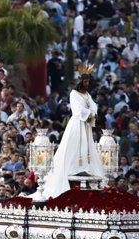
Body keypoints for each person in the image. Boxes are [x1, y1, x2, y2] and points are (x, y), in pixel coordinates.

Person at [41, 69, 103, 199]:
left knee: (86, 146)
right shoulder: (74, 93)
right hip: (77, 123)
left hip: (85, 124)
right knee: (74, 145)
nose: (87, 84)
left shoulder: (87, 94)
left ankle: (85, 166)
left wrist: (92, 112)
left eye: (88, 82)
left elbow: (94, 106)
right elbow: (78, 110)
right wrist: (91, 113)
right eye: (85, 81)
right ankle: (74, 166)